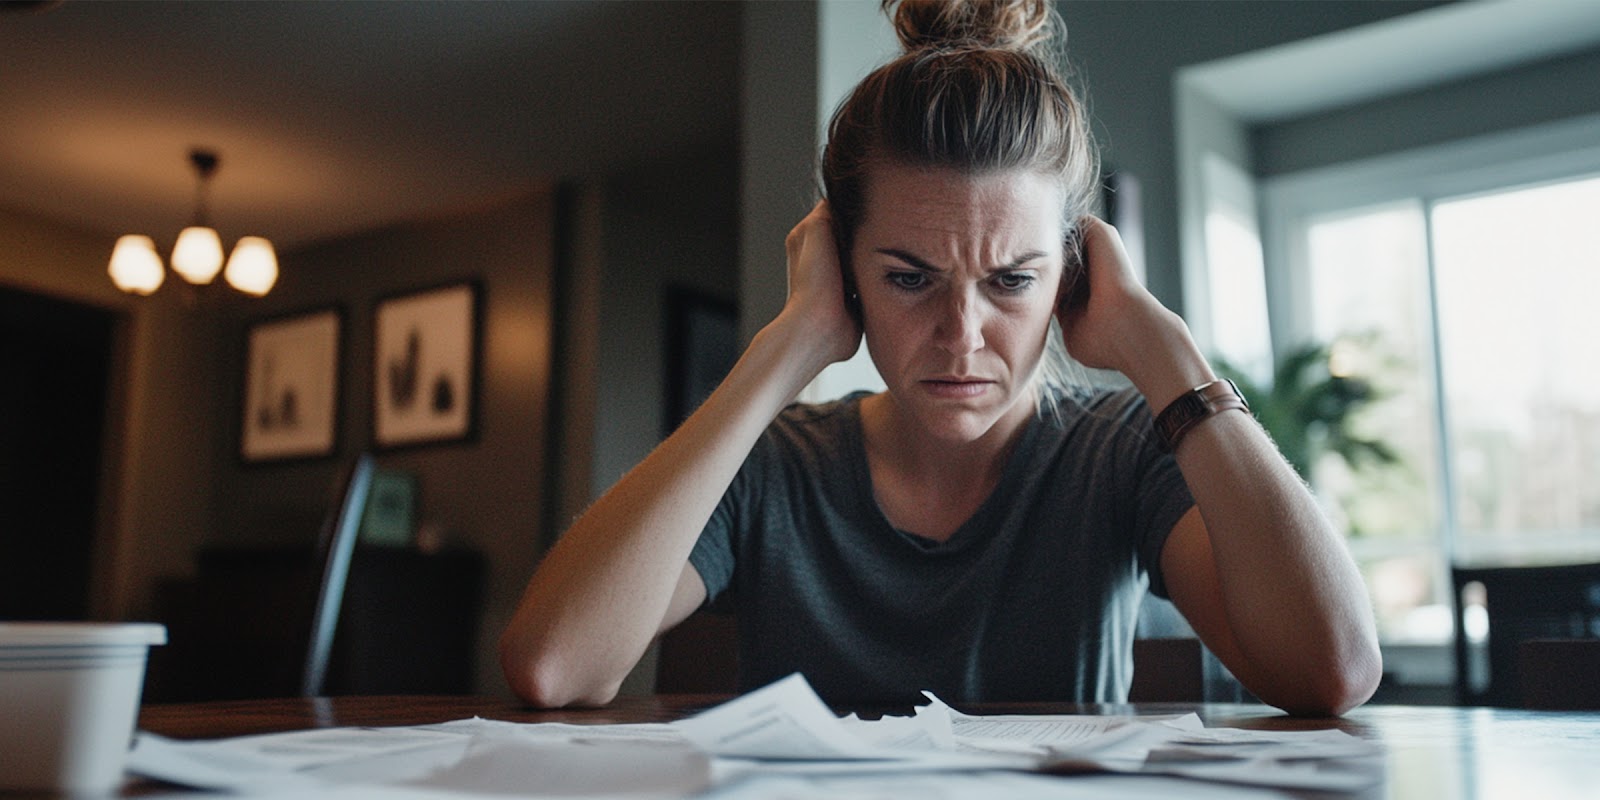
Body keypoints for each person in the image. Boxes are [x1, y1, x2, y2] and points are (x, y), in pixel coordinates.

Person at [500, 0, 1381, 716]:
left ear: (1070, 279)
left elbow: (1332, 671)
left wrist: (1163, 347)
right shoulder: (779, 468)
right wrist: (785, 347)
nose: (962, 335)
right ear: (846, 274)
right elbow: (554, 666)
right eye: (909, 278)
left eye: (1011, 280)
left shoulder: (1118, 453)